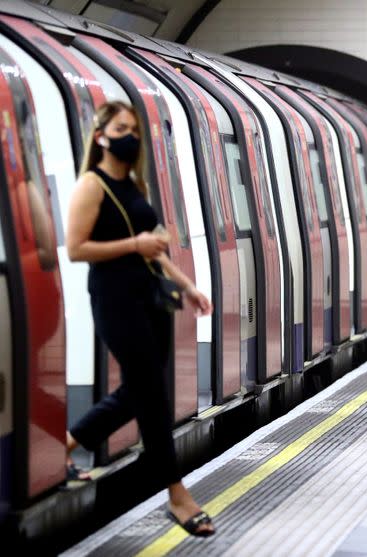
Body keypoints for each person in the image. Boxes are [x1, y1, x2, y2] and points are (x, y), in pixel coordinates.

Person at [64, 101, 215, 536]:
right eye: (121, 127)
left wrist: (187, 286)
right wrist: (133, 245)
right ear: (100, 135)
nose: (129, 135)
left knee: (141, 389)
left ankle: (69, 445)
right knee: (149, 393)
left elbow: (155, 246)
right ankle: (176, 493)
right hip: (115, 298)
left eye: (134, 128)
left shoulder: (134, 183)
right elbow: (77, 249)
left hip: (151, 297)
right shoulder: (92, 185)